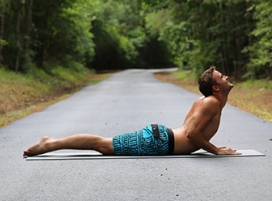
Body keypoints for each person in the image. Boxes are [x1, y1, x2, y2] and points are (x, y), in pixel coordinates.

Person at [23, 66, 241, 157]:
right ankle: (49, 143)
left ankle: (51, 143)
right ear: (215, 87)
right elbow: (193, 134)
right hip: (160, 142)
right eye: (222, 77)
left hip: (162, 139)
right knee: (103, 145)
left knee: (104, 144)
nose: (226, 78)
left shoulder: (207, 101)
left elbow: (192, 132)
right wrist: (215, 150)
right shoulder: (210, 102)